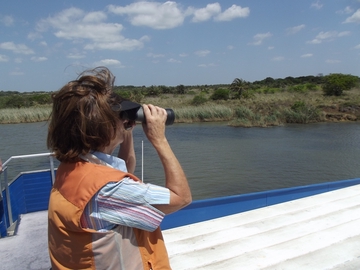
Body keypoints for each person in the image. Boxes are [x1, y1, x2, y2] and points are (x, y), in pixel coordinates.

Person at [47, 67, 192, 270]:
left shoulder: (72, 169)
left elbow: (123, 170)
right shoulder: (106, 191)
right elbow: (181, 197)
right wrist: (159, 139)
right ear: (102, 126)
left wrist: (126, 129)